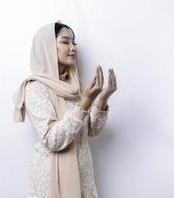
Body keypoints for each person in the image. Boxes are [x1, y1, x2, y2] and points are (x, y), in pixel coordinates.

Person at [12, 21, 117, 198]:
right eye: (65, 41)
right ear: (47, 47)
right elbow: (53, 139)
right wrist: (85, 102)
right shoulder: (35, 88)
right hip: (52, 179)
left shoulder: (77, 85)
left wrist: (103, 98)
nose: (73, 48)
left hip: (83, 175)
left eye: (74, 42)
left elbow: (91, 130)